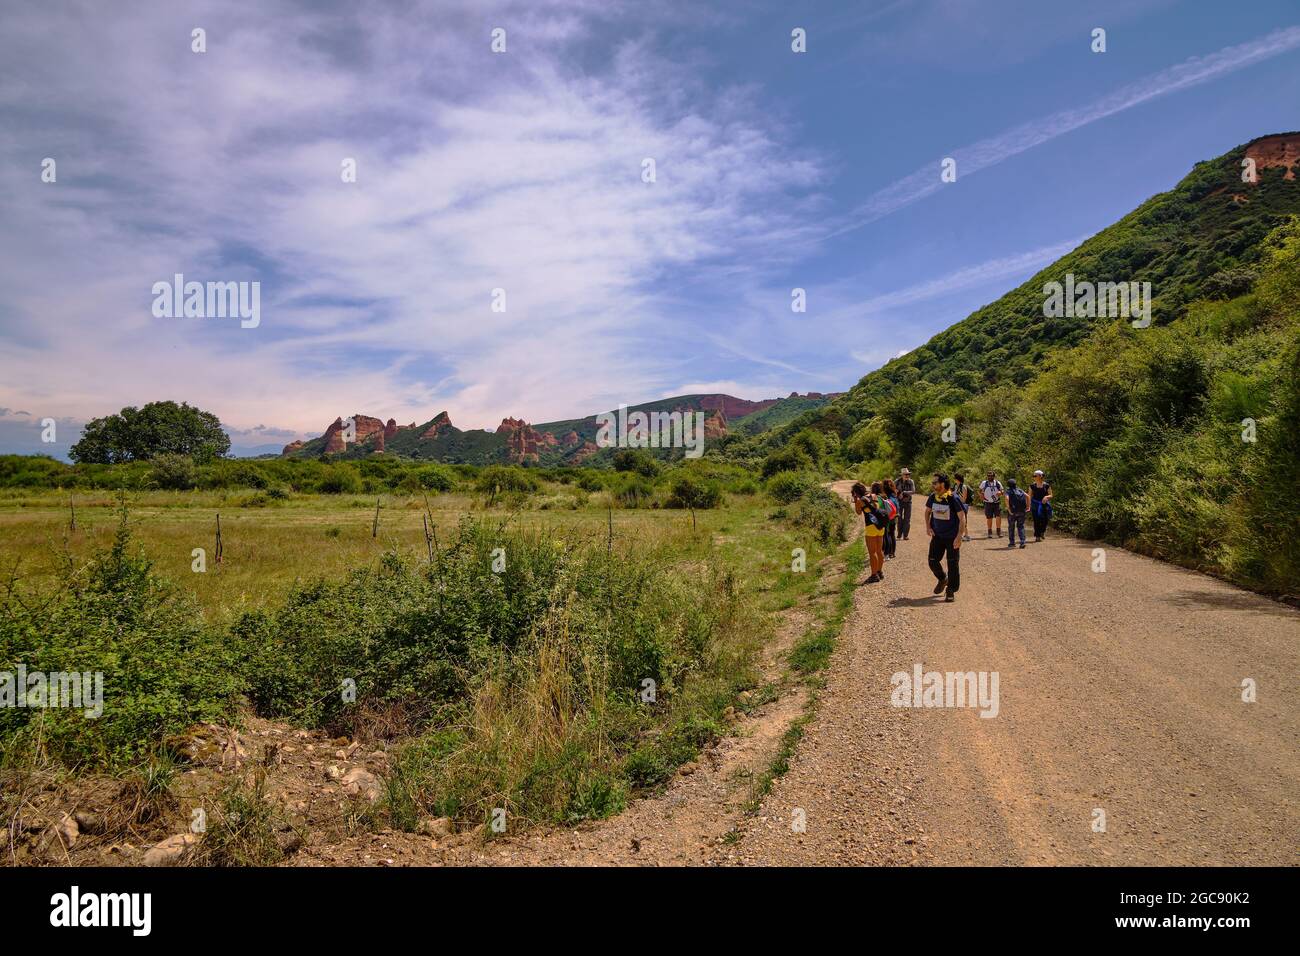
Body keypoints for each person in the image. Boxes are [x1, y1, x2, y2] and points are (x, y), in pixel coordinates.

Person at [925, 472, 966, 602]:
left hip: (952, 537)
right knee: (932, 561)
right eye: (933, 483)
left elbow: (962, 517)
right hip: (937, 536)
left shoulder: (953, 498)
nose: (933, 485)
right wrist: (928, 526)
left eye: (935, 483)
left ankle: (950, 590)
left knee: (952, 564)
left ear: (942, 484)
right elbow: (927, 512)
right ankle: (943, 579)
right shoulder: (933, 497)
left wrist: (959, 536)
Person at [852, 481, 889, 583]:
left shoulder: (860, 500)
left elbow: (859, 512)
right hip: (880, 526)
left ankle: (874, 575)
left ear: (856, 492)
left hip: (871, 526)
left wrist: (856, 500)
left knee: (872, 552)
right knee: (879, 550)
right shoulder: (874, 496)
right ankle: (880, 572)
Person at [1002, 478, 1028, 549]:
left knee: (1011, 527)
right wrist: (1028, 507)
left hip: (1013, 512)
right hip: (1022, 511)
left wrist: (1009, 509)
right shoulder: (1020, 490)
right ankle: (1022, 542)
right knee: (1021, 526)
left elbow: (1007, 499)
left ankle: (1012, 543)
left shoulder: (1008, 491)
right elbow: (1028, 496)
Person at [979, 470, 1004, 538]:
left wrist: (1000, 493)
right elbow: (980, 490)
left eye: (991, 476)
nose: (989, 477)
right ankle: (989, 532)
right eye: (988, 476)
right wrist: (981, 496)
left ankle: (999, 532)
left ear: (994, 476)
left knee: (998, 517)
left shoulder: (998, 483)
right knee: (989, 518)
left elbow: (1002, 490)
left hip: (997, 503)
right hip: (988, 503)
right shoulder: (984, 483)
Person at [1030, 469, 1053, 541]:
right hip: (1035, 505)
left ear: (1040, 476)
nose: (1034, 477)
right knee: (1036, 520)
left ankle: (1042, 532)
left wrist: (1046, 497)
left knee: (1045, 520)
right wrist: (1028, 505)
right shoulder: (1032, 486)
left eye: (1035, 476)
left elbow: (1051, 495)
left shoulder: (1046, 485)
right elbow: (1029, 496)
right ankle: (1037, 536)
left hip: (1044, 505)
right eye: (1033, 476)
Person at [882, 478, 901, 559]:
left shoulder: (885, 496)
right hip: (895, 515)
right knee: (892, 534)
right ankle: (892, 552)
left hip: (888, 517)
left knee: (888, 534)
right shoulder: (894, 494)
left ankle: (888, 551)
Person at [896, 468, 916, 540]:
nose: (907, 475)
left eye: (908, 474)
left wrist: (904, 492)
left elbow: (913, 491)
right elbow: (893, 490)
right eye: (905, 474)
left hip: (908, 502)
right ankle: (899, 535)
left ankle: (905, 535)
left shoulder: (911, 481)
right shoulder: (897, 481)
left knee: (907, 519)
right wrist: (898, 494)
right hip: (899, 502)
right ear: (902, 475)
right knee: (899, 518)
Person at [952, 473, 974, 542]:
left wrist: (958, 501)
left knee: (963, 520)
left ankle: (966, 535)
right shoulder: (955, 486)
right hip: (957, 505)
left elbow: (964, 498)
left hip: (963, 505)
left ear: (958, 479)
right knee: (957, 520)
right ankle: (960, 535)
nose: (954, 480)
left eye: (955, 478)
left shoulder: (963, 486)